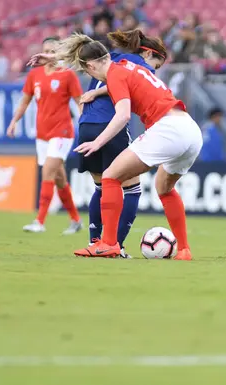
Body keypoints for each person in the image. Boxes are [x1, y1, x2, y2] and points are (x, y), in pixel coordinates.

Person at [45, 32, 202, 260]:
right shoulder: (128, 65)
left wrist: (97, 142)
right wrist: (56, 59)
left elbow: (123, 115)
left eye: (88, 70)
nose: (90, 74)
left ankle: (108, 243)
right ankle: (185, 250)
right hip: (189, 128)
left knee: (110, 177)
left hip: (167, 128)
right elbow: (92, 53)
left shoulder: (116, 72)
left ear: (91, 66)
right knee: (164, 188)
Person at [74, 30, 164, 257]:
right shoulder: (137, 66)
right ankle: (117, 245)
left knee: (101, 186)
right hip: (110, 123)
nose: (155, 70)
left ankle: (95, 242)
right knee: (132, 188)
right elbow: (130, 89)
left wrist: (52, 59)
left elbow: (86, 51)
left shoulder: (109, 56)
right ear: (147, 53)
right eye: (157, 64)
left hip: (86, 123)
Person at [7, 37, 83, 234]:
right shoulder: (35, 75)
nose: (48, 54)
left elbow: (79, 101)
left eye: (52, 50)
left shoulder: (67, 75)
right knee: (59, 178)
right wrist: (14, 121)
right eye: (46, 50)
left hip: (62, 132)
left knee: (48, 171)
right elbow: (25, 101)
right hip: (42, 133)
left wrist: (85, 123)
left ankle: (39, 221)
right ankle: (75, 220)